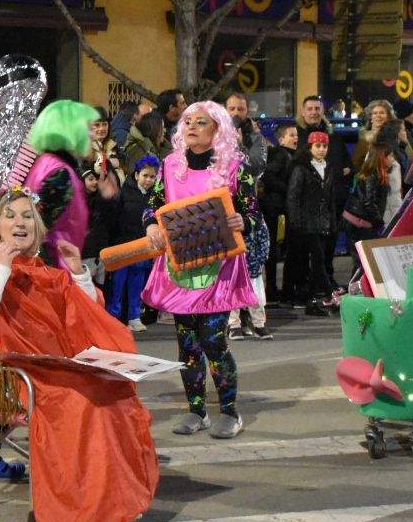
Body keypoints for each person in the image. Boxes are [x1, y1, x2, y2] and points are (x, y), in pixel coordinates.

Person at [0, 189, 159, 522]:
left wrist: (79, 273)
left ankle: (110, 510)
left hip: (58, 367)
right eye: (11, 215)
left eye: (28, 215)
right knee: (80, 403)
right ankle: (85, 512)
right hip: (12, 374)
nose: (20, 222)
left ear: (39, 226)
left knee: (116, 394)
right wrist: (1, 271)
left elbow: (89, 319)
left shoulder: (48, 272)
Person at [142, 101, 264, 439]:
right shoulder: (169, 165)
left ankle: (229, 411)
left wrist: (243, 221)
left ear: (217, 130)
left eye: (201, 122)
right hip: (182, 267)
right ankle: (197, 410)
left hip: (220, 268)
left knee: (213, 341)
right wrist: (151, 225)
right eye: (187, 122)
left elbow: (252, 213)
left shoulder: (237, 167)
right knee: (188, 345)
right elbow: (153, 205)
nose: (192, 127)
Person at [24, 99, 96, 264]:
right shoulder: (59, 172)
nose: (91, 134)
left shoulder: (50, 164)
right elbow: (39, 231)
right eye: (86, 127)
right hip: (56, 270)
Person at [298, 94, 350, 275]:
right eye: (310, 109)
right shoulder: (296, 136)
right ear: (303, 113)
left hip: (332, 202)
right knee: (305, 249)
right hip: (307, 205)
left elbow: (348, 166)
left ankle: (326, 279)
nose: (314, 112)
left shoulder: (334, 137)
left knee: (329, 246)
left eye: (317, 109)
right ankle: (307, 283)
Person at [287, 130, 338, 316]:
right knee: (318, 261)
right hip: (307, 223)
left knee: (319, 262)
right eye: (318, 146)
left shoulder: (328, 167)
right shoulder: (301, 168)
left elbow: (331, 199)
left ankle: (313, 300)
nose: (322, 149)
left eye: (324, 146)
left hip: (323, 223)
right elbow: (293, 196)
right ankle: (328, 294)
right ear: (309, 147)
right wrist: (296, 222)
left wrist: (332, 222)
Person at [105, 155, 159, 329]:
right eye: (145, 175)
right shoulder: (124, 192)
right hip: (122, 244)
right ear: (136, 175)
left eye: (152, 177)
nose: (148, 180)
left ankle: (134, 317)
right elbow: (113, 218)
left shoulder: (155, 196)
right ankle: (113, 317)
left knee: (137, 282)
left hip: (143, 245)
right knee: (118, 284)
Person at [260, 123, 296, 303]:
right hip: (274, 209)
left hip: (277, 209)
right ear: (281, 139)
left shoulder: (289, 155)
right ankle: (272, 289)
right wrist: (288, 189)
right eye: (291, 135)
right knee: (272, 251)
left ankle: (274, 289)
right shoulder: (281, 154)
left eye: (296, 134)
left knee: (274, 251)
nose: (295, 138)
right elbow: (268, 176)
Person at [226, 94, 268, 176]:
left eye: (240, 109)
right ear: (225, 110)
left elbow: (257, 169)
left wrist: (240, 147)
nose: (236, 113)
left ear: (247, 111)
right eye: (232, 109)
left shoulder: (257, 138)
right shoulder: (216, 135)